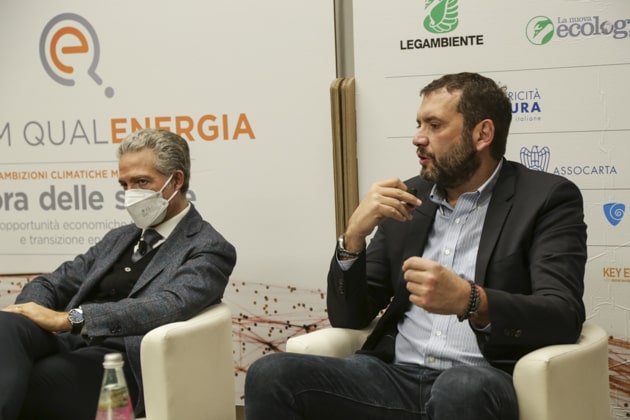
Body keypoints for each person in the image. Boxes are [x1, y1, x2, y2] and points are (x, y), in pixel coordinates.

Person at [244, 72, 587, 419]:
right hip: (393, 377)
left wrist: (471, 300)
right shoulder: (407, 198)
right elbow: (349, 316)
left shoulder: (545, 199)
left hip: (480, 379)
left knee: (459, 388)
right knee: (271, 374)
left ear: (482, 134)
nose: (418, 138)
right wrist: (354, 236)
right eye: (419, 124)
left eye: (434, 125)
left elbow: (563, 315)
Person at [0, 128, 237, 420]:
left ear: (176, 180)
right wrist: (29, 313)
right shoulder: (119, 237)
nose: (130, 194)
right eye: (125, 184)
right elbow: (54, 281)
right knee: (6, 324)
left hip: (121, 361)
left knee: (29, 379)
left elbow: (168, 305)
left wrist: (71, 319)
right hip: (68, 343)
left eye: (141, 182)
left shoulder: (208, 247)